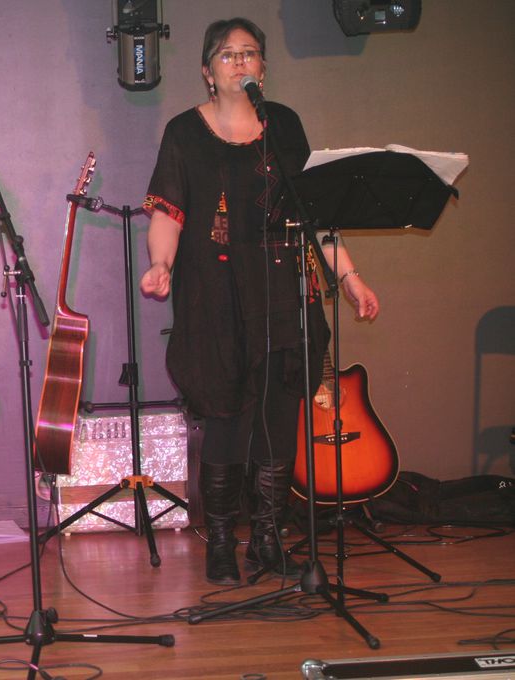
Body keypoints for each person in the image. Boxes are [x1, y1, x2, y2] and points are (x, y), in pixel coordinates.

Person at [140, 18, 379, 585]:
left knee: (279, 417)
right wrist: (160, 264)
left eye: (250, 54)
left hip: (283, 289)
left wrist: (350, 278)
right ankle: (221, 542)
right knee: (227, 418)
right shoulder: (183, 133)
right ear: (207, 71)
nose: (240, 62)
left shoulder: (284, 125)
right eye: (227, 55)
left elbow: (313, 211)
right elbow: (167, 212)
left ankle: (267, 540)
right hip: (215, 297)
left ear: (263, 68)